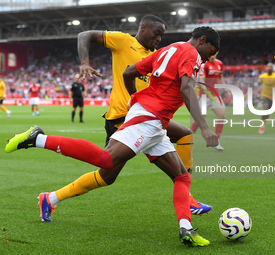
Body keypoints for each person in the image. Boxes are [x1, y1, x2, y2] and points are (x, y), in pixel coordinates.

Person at [5, 26, 220, 246]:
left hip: (155, 122)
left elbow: (129, 72)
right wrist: (203, 127)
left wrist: (135, 98)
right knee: (106, 161)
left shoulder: (169, 49)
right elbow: (186, 88)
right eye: (209, 52)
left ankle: (186, 229)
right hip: (148, 118)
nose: (207, 59)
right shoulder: (191, 53)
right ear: (202, 40)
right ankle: (37, 138)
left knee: (181, 177)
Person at [77, 14, 211, 215]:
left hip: (147, 117)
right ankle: (51, 190)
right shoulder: (123, 41)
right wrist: (85, 63)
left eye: (161, 36)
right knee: (106, 173)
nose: (158, 39)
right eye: (156, 34)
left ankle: (188, 199)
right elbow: (84, 35)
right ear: (143, 28)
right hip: (122, 116)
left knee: (184, 136)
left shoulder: (158, 54)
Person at [190, 51, 225, 151]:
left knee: (222, 115)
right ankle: (188, 137)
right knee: (200, 118)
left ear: (217, 52)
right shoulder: (204, 65)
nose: (213, 54)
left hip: (216, 94)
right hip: (205, 95)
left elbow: (220, 77)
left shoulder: (219, 64)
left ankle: (216, 142)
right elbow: (201, 80)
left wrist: (225, 87)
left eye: (215, 52)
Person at [258, 63, 275, 134]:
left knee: (268, 112)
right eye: (268, 67)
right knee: (265, 108)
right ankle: (262, 125)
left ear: (272, 68)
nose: (269, 68)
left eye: (271, 67)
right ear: (266, 68)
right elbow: (259, 83)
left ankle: (264, 123)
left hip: (272, 96)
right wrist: (259, 90)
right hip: (264, 95)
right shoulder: (262, 76)